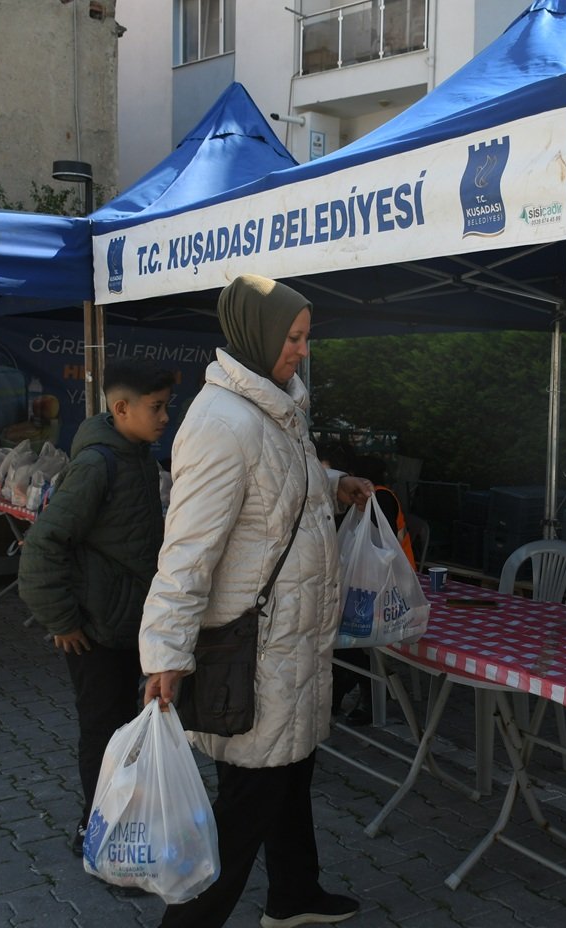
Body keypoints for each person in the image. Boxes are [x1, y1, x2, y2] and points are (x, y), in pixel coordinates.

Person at [140, 274, 373, 928]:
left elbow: (277, 492)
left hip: (289, 644)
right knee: (246, 807)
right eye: (293, 338)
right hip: (257, 653)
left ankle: (295, 896)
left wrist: (333, 484)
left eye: (305, 337)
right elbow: (186, 551)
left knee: (291, 774)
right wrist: (164, 653)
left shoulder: (274, 409)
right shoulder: (220, 423)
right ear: (259, 333)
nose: (302, 350)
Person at [16, 357, 175, 858]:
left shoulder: (138, 458)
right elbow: (42, 545)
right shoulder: (96, 464)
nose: (166, 417)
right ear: (121, 408)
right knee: (104, 734)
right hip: (95, 631)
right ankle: (96, 833)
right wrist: (61, 620)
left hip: (128, 625)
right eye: (157, 408)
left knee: (127, 732)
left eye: (168, 407)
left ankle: (126, 825)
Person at [330, 453, 415, 725]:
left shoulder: (380, 499)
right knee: (343, 636)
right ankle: (352, 692)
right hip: (371, 584)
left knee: (349, 637)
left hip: (391, 587)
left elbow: (379, 546)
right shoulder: (368, 499)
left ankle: (366, 695)